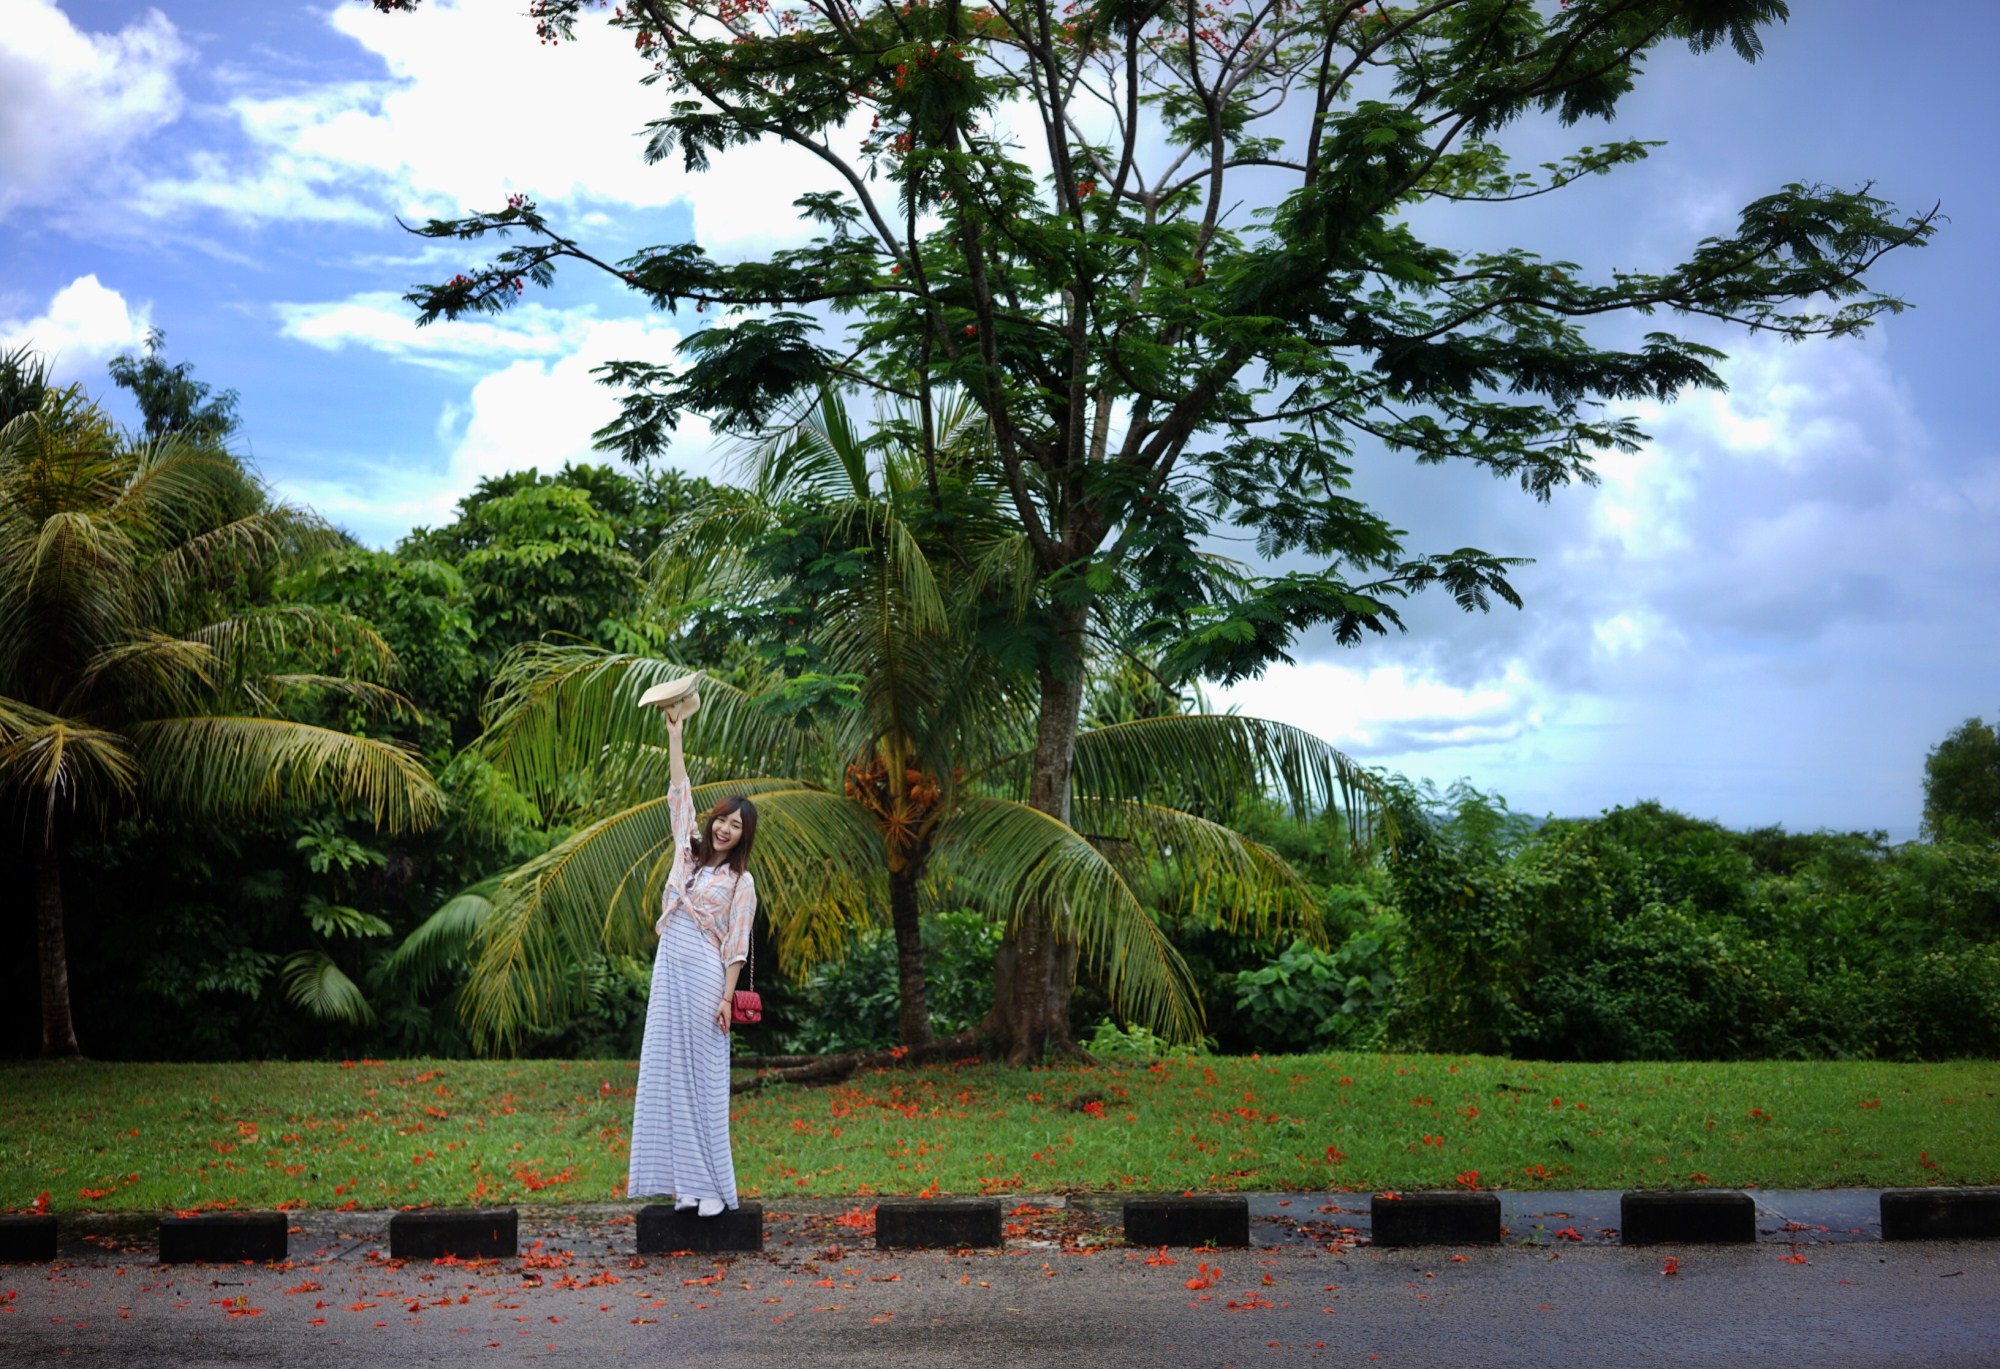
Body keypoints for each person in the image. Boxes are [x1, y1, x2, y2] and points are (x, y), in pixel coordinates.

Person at [627, 707, 758, 1217]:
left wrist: (726, 999)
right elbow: (679, 794)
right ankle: (684, 1184)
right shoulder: (689, 854)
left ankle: (712, 1187)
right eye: (722, 819)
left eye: (736, 825)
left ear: (745, 835)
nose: (725, 828)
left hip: (705, 975)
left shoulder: (740, 883)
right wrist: (675, 737)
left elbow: (736, 947)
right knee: (668, 1072)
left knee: (703, 1075)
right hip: (669, 970)